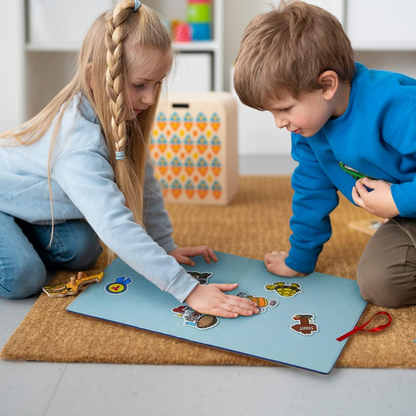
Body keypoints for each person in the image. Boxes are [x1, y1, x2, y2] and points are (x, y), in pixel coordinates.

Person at [0, 0, 259, 318]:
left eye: (157, 84)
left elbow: (144, 182)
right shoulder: (77, 145)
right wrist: (186, 288)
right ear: (96, 77)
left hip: (26, 204)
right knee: (23, 277)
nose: (150, 99)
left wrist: (165, 246)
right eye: (139, 85)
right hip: (5, 197)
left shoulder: (120, 116)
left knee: (85, 249)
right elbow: (114, 224)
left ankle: (15, 232)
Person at [233, 0, 416, 308]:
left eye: (285, 109)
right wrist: (299, 261)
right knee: (378, 284)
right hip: (407, 214)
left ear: (327, 85)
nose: (280, 123)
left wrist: (397, 200)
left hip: (405, 202)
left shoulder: (396, 105)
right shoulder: (308, 128)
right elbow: (311, 190)